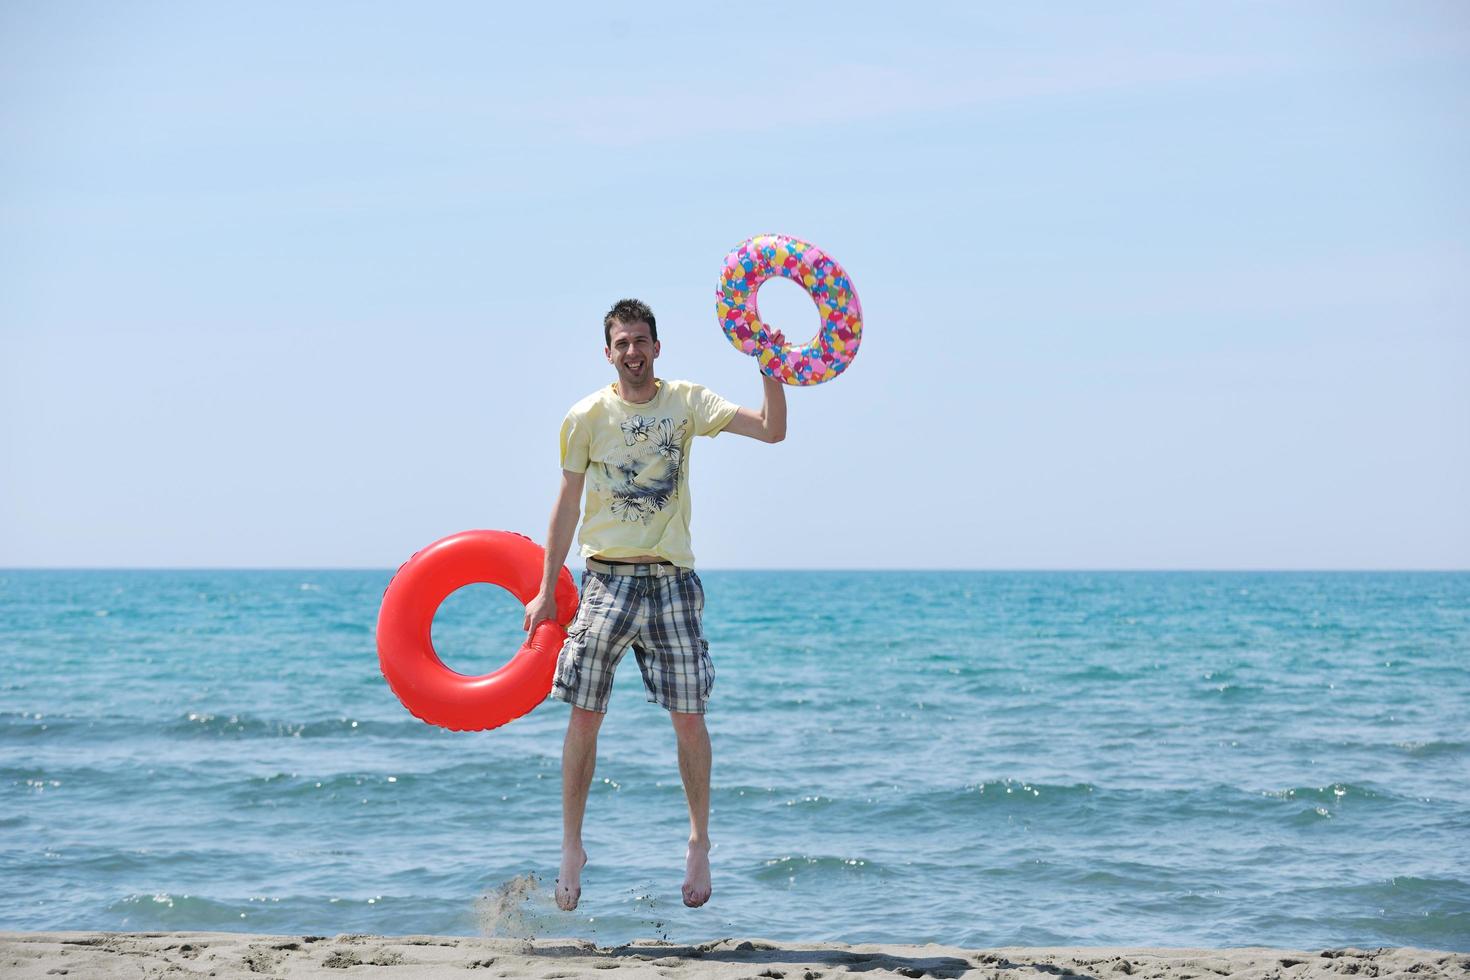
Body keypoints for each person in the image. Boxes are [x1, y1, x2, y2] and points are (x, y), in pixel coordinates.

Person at [522, 297, 787, 913]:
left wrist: (770, 363)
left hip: (671, 581)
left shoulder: (687, 402)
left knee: (689, 716)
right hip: (605, 580)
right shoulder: (586, 416)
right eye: (622, 343)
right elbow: (564, 507)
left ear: (657, 348)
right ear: (608, 351)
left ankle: (698, 841)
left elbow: (772, 430)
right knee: (584, 714)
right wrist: (543, 587)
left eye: (642, 341)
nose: (633, 352)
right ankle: (571, 846)